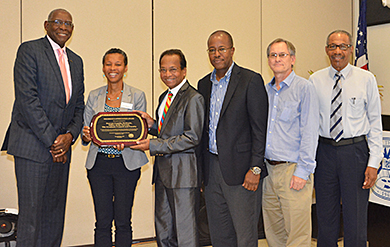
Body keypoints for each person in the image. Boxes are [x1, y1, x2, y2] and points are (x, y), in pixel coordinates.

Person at [0, 8, 84, 247]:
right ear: (46, 25)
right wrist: (53, 141)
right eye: (58, 22)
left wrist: (69, 136)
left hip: (62, 150)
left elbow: (79, 105)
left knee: (55, 217)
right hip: (33, 147)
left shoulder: (76, 61)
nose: (63, 27)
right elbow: (27, 100)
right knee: (32, 218)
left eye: (68, 23)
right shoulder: (29, 50)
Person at [310, 30, 382, 247]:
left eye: (342, 46)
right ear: (326, 50)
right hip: (324, 153)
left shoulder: (366, 79)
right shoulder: (315, 80)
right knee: (325, 216)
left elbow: (375, 124)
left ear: (351, 49)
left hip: (355, 152)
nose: (337, 51)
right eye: (333, 46)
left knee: (356, 218)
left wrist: (373, 163)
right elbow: (310, 123)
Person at [197, 30, 268, 247]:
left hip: (242, 172)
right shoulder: (203, 84)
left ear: (232, 51)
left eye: (221, 49)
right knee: (219, 235)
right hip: (212, 171)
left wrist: (255, 168)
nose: (217, 54)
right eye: (212, 49)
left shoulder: (250, 80)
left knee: (245, 236)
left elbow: (259, 129)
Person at [131, 49, 205, 247]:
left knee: (185, 235)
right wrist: (152, 125)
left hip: (183, 176)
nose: (167, 74)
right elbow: (169, 131)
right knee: (163, 233)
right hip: (163, 174)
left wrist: (152, 144)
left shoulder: (193, 98)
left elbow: (192, 137)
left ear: (184, 71)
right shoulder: (166, 96)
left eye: (173, 69)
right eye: (163, 70)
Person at [81, 48, 148, 247]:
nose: (113, 68)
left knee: (123, 221)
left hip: (126, 165)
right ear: (103, 68)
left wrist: (127, 142)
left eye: (118, 64)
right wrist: (86, 135)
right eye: (109, 64)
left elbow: (139, 130)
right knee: (102, 221)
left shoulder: (137, 95)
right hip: (99, 165)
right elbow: (86, 131)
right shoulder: (94, 96)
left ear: (125, 68)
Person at [262, 38, 319, 247]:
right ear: (268, 60)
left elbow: (310, 132)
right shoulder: (264, 91)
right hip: (268, 171)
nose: (277, 59)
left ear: (292, 59)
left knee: (297, 237)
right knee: (274, 233)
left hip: (293, 171)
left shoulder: (305, 88)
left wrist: (302, 171)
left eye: (282, 55)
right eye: (273, 55)